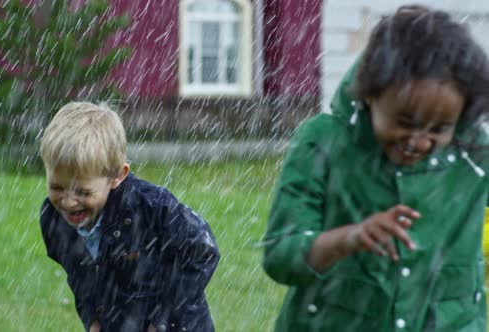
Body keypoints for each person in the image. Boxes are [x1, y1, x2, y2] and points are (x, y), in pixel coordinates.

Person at [263, 5, 489, 331]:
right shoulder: (323, 143)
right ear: (369, 94)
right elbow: (280, 256)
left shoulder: (473, 154)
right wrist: (349, 238)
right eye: (405, 122)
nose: (419, 142)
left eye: (439, 129)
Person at [38, 102, 220, 332]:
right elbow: (79, 275)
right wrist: (91, 318)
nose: (68, 202)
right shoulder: (54, 221)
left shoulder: (153, 208)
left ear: (117, 176)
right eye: (57, 187)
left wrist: (162, 321)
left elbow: (203, 251)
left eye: (83, 192)